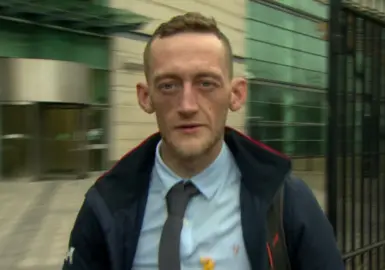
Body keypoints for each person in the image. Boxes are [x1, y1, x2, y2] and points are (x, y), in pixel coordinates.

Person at [62, 12, 344, 270]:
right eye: (169, 85)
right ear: (146, 97)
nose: (187, 105)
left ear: (236, 94)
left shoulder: (285, 199)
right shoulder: (105, 205)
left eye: (206, 83)